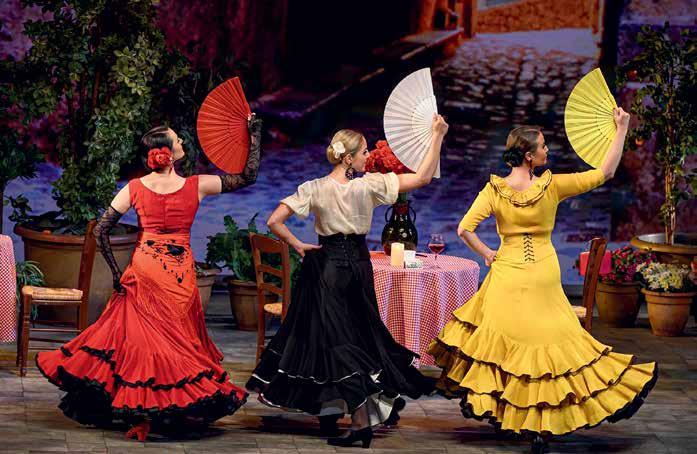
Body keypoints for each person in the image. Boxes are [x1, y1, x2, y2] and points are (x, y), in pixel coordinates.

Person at [428, 108, 657, 453]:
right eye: (543, 146)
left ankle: (515, 418)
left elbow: (464, 229)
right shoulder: (552, 186)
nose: (547, 150)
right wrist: (621, 128)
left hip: (506, 275)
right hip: (543, 274)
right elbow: (605, 172)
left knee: (505, 349)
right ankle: (541, 425)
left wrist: (488, 254)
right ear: (528, 156)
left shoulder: (495, 190)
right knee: (549, 345)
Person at [36, 116, 263, 441]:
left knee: (144, 344)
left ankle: (142, 412)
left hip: (145, 268)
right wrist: (254, 136)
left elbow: (101, 230)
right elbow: (247, 177)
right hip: (179, 273)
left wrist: (117, 274)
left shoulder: (134, 188)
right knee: (176, 341)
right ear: (167, 154)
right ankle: (162, 410)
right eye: (177, 140)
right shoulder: (197, 185)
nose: (182, 142)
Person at [246, 115, 449, 448]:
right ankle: (352, 417)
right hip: (358, 267)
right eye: (364, 152)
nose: (368, 157)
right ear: (348, 158)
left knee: (331, 338)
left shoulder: (315, 187)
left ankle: (347, 416)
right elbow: (423, 178)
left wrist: (298, 245)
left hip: (327, 268)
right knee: (354, 337)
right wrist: (438, 136)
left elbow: (274, 221)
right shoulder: (369, 185)